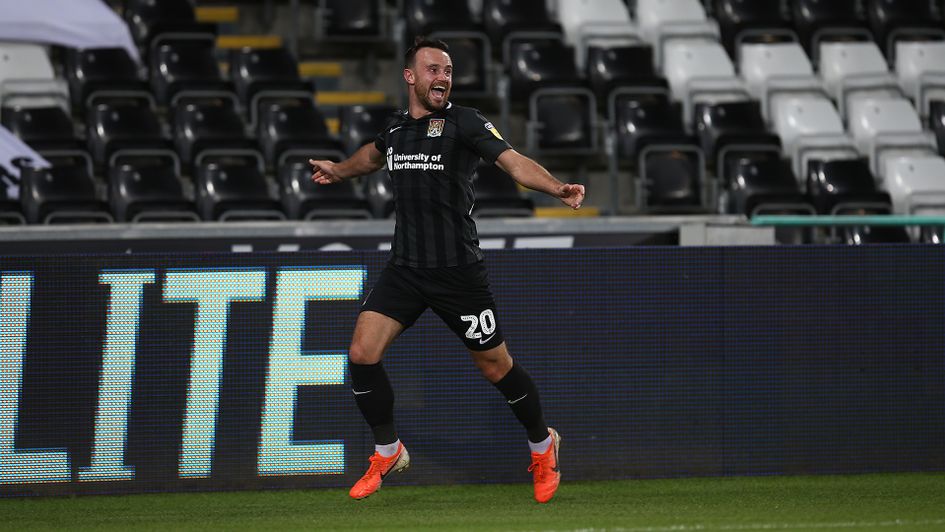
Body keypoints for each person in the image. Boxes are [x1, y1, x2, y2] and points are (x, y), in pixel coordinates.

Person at [309, 37, 585, 504]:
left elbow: (513, 163)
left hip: (457, 272)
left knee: (495, 366)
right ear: (410, 76)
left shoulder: (466, 122)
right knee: (361, 352)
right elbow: (371, 157)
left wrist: (556, 188)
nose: (443, 78)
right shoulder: (396, 128)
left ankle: (543, 445)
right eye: (433, 69)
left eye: (448, 71)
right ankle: (389, 450)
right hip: (406, 269)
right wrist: (339, 170)